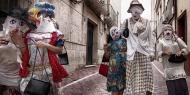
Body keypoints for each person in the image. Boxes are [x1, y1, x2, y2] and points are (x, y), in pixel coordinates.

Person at [15, 2, 68, 95]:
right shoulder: (28, 34)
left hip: (48, 72)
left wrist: (46, 45)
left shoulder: (58, 34)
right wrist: (18, 41)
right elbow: (25, 52)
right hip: (31, 72)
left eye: (40, 14)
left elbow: (60, 50)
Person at [121, 0, 154, 95]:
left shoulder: (146, 22)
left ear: (140, 11)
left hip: (144, 52)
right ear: (130, 11)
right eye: (132, 11)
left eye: (136, 11)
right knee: (132, 78)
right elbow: (122, 36)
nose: (134, 13)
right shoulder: (126, 21)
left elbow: (150, 38)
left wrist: (151, 52)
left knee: (147, 77)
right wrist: (124, 32)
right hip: (131, 54)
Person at [0, 8, 30, 95]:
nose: (16, 27)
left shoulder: (27, 41)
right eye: (12, 22)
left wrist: (21, 44)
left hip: (16, 81)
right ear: (5, 22)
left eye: (21, 24)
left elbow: (28, 62)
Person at [157, 24, 189, 95]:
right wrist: (165, 52)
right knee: (172, 91)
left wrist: (181, 51)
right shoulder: (161, 42)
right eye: (165, 30)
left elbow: (186, 49)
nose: (167, 32)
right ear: (163, 33)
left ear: (172, 32)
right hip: (169, 70)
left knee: (183, 91)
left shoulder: (176, 41)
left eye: (169, 30)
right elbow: (158, 54)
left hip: (179, 69)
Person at [104, 26, 127, 95]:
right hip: (113, 70)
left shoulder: (124, 41)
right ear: (111, 36)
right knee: (114, 89)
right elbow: (106, 57)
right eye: (113, 34)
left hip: (123, 69)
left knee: (121, 88)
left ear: (119, 32)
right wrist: (105, 50)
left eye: (116, 32)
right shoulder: (110, 44)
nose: (115, 35)